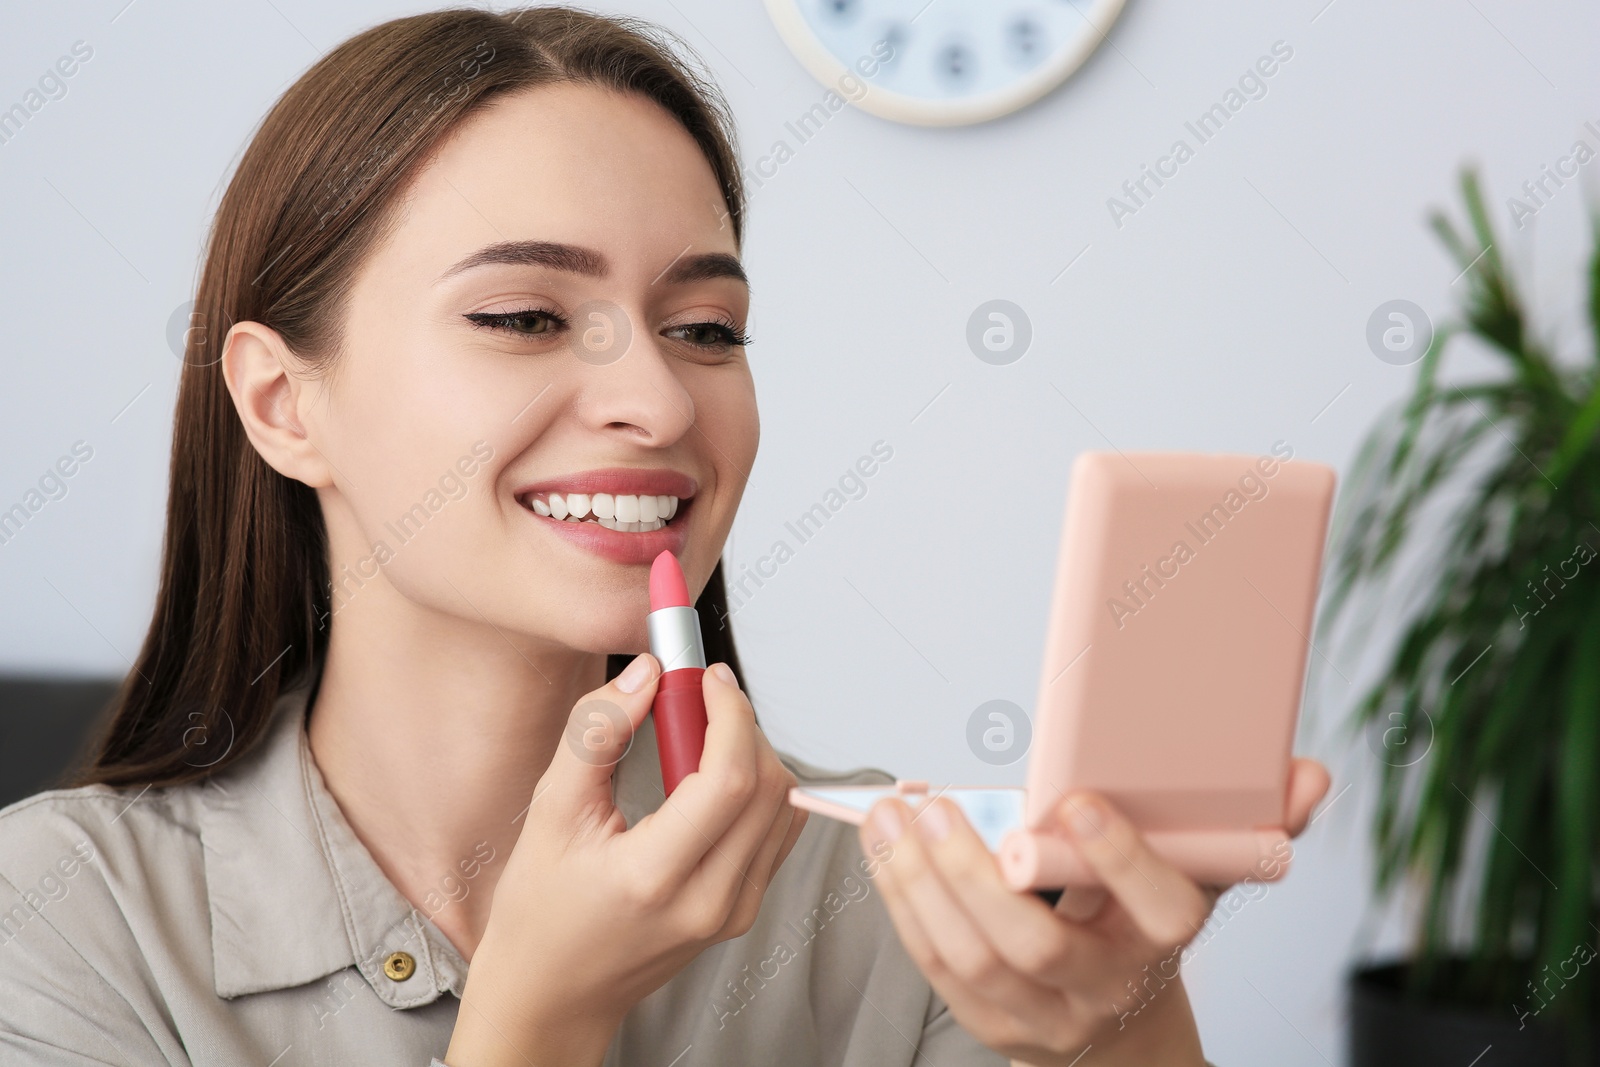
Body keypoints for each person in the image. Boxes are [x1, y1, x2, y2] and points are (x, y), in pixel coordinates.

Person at [0, 8, 1328, 1066]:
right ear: (286, 406)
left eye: (705, 329)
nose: (656, 398)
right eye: (523, 316)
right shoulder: (60, 918)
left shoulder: (888, 892)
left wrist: (1120, 1024)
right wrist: (539, 1019)